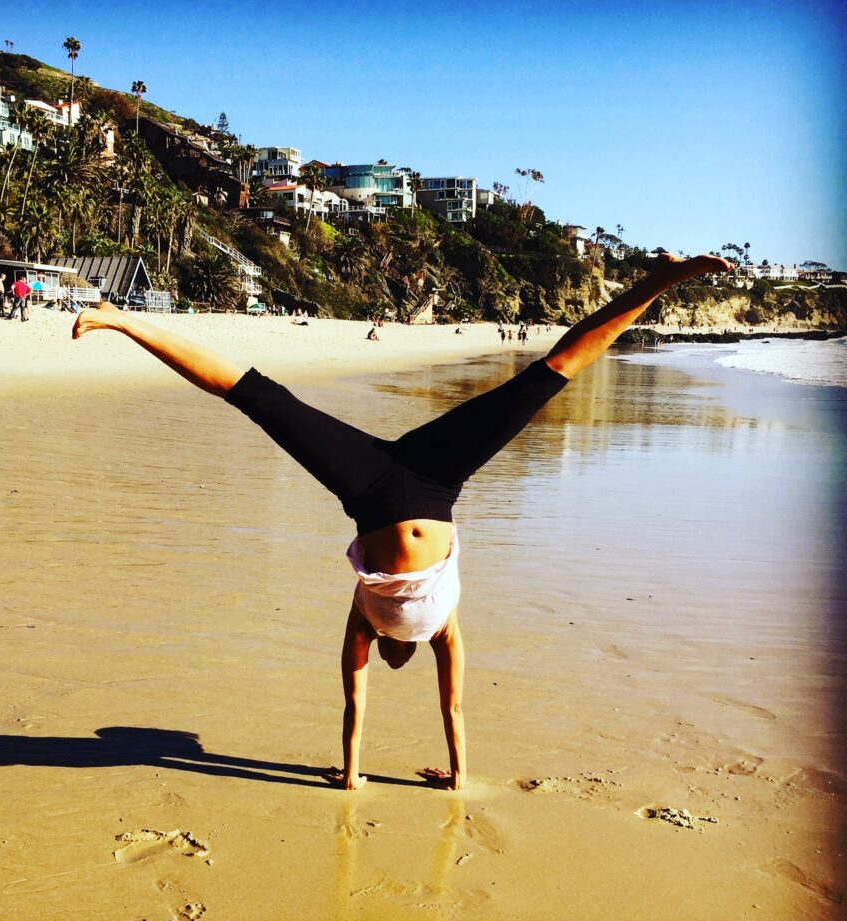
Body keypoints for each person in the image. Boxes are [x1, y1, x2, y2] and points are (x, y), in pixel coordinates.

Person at [71, 253, 730, 791]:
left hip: (369, 489)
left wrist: (353, 775)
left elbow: (355, 704)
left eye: (389, 652)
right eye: (395, 655)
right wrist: (458, 776)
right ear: (403, 649)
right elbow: (454, 709)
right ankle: (661, 278)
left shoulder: (364, 621)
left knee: (259, 398)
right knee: (550, 373)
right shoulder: (442, 631)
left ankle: (123, 322)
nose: (391, 656)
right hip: (439, 481)